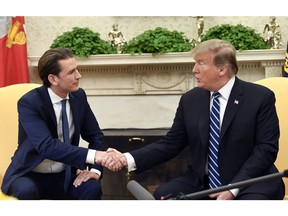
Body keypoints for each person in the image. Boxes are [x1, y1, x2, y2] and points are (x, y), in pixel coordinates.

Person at [105, 39, 285, 200]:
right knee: (163, 196)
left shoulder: (259, 97)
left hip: (251, 181)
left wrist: (233, 188)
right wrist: (126, 158)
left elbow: (265, 149)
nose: (194, 70)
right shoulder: (191, 99)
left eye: (201, 63)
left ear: (222, 69)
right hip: (202, 182)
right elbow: (171, 143)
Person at [1, 48, 116, 200]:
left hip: (66, 174)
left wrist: (95, 170)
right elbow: (46, 146)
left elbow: (95, 136)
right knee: (26, 190)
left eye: (77, 70)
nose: (78, 76)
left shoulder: (79, 96)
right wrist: (96, 156)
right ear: (53, 79)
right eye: (71, 72)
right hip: (30, 174)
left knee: (91, 188)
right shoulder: (29, 103)